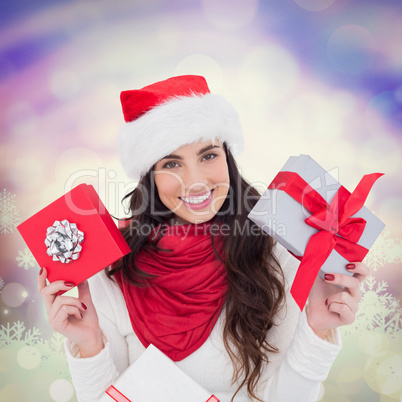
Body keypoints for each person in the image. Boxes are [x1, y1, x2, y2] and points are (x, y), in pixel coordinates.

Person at [38, 75, 368, 402]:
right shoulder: (113, 267)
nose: (195, 182)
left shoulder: (277, 252)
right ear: (149, 176)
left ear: (228, 158)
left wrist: (318, 329)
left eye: (208, 155)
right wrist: (89, 344)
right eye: (171, 163)